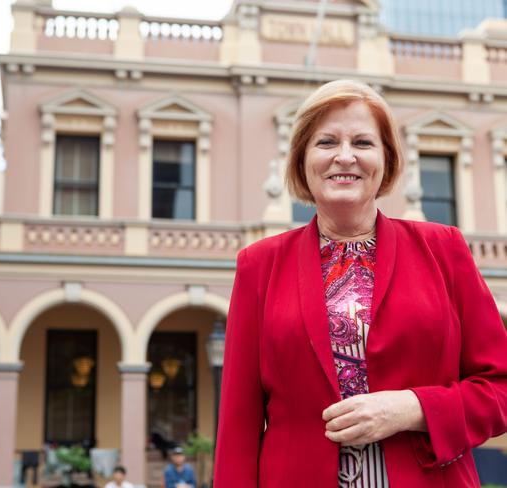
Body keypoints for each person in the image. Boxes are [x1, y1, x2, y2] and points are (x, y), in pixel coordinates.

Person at [213, 79, 507, 487]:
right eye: (327, 142)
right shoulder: (258, 265)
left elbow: (500, 389)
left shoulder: (444, 250)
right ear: (302, 160)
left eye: (364, 143)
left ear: (386, 159)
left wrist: (414, 408)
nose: (345, 157)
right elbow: (238, 426)